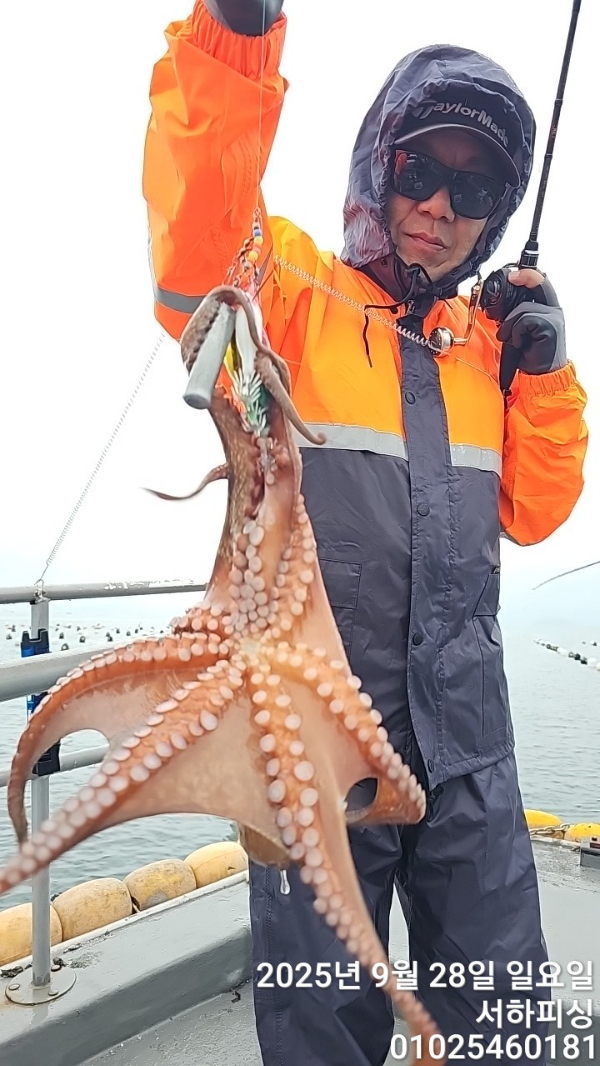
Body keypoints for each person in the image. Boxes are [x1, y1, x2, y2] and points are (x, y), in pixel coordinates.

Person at [143, 2, 588, 1062]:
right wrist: (234, 41)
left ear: (497, 214)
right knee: (322, 1022)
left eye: (473, 190)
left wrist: (547, 374)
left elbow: (538, 508)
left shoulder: (487, 350)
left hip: (471, 754)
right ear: (377, 167)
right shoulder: (292, 294)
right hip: (319, 757)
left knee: (504, 1018)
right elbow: (194, 258)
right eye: (418, 170)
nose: (438, 207)